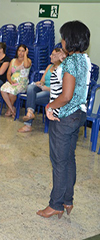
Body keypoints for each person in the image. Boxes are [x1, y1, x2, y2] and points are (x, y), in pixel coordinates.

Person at [37, 21, 91, 218]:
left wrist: (50, 106)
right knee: (69, 159)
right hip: (78, 114)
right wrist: (63, 56)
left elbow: (66, 95)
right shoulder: (84, 59)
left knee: (59, 161)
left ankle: (56, 204)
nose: (61, 41)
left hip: (65, 116)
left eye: (63, 38)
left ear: (70, 40)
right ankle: (68, 200)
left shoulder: (69, 63)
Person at [18, 48, 62, 133]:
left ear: (59, 57)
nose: (50, 56)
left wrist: (46, 88)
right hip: (43, 88)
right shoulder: (49, 66)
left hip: (52, 93)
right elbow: (43, 80)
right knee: (31, 87)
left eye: (53, 55)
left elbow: (60, 89)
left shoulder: (62, 70)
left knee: (33, 97)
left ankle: (28, 123)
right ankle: (30, 112)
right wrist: (40, 83)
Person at [0, 44, 32, 118]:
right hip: (13, 81)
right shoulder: (13, 61)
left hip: (22, 83)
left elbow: (26, 66)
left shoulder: (28, 61)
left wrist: (25, 56)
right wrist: (10, 81)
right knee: (2, 89)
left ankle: (9, 109)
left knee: (12, 93)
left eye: (23, 51)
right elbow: (8, 73)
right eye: (19, 50)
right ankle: (12, 109)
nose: (20, 53)